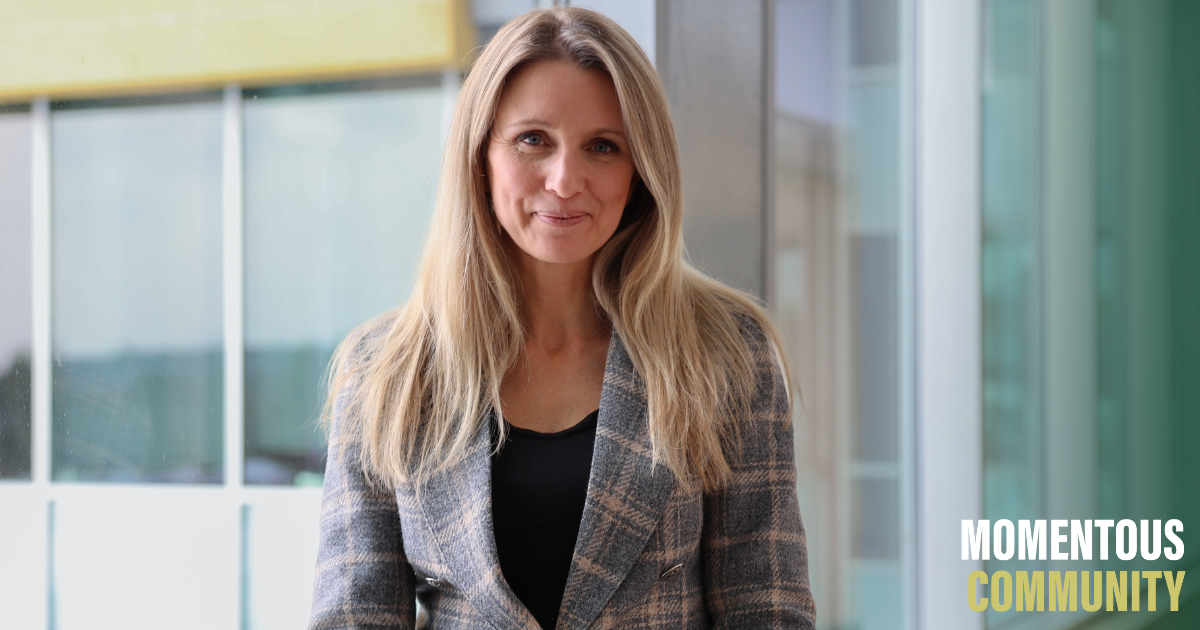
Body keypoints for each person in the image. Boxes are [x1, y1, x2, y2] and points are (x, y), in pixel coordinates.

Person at [309, 7, 815, 630]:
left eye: (603, 147)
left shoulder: (725, 353)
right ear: (480, 156)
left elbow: (767, 611)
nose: (565, 179)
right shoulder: (388, 370)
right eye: (532, 140)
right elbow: (353, 620)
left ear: (640, 172)